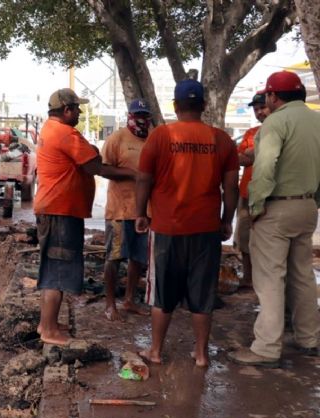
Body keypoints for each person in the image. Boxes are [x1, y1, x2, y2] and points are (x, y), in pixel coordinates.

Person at [135, 79, 239, 368]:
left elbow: (144, 178)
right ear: (203, 105)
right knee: (203, 294)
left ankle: (155, 351)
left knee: (162, 294)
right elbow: (231, 187)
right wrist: (226, 220)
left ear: (176, 106)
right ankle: (202, 355)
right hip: (206, 229)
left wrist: (140, 212)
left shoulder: (160, 136)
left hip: (168, 228)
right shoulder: (222, 140)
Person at [228, 71, 320, 367]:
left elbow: (265, 167)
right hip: (307, 207)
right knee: (302, 275)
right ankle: (309, 338)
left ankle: (266, 347)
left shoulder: (275, 122)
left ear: (272, 96)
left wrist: (255, 206)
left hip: (277, 208)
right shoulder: (317, 121)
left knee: (269, 279)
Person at [34, 88, 137, 345]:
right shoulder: (65, 133)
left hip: (55, 209)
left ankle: (47, 324)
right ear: (66, 110)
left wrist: (91, 149)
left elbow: (90, 155)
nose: (80, 112)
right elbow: (95, 166)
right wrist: (134, 175)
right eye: (77, 108)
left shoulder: (49, 129)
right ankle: (48, 330)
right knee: (58, 271)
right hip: (61, 211)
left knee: (52, 268)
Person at [101, 99, 152, 321]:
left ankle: (129, 300)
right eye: (137, 114)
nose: (141, 119)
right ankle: (110, 304)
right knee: (114, 258)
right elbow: (103, 169)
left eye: (144, 114)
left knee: (138, 258)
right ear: (129, 115)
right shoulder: (117, 139)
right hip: (119, 211)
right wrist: (132, 175)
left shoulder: (153, 139)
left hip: (145, 212)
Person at [234, 92, 269, 289]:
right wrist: (253, 155)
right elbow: (239, 159)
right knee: (244, 237)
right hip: (247, 195)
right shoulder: (251, 133)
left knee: (267, 240)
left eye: (262, 108)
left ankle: (264, 280)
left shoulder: (279, 130)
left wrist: (253, 154)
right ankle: (248, 278)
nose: (259, 112)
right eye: (256, 109)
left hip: (270, 197)